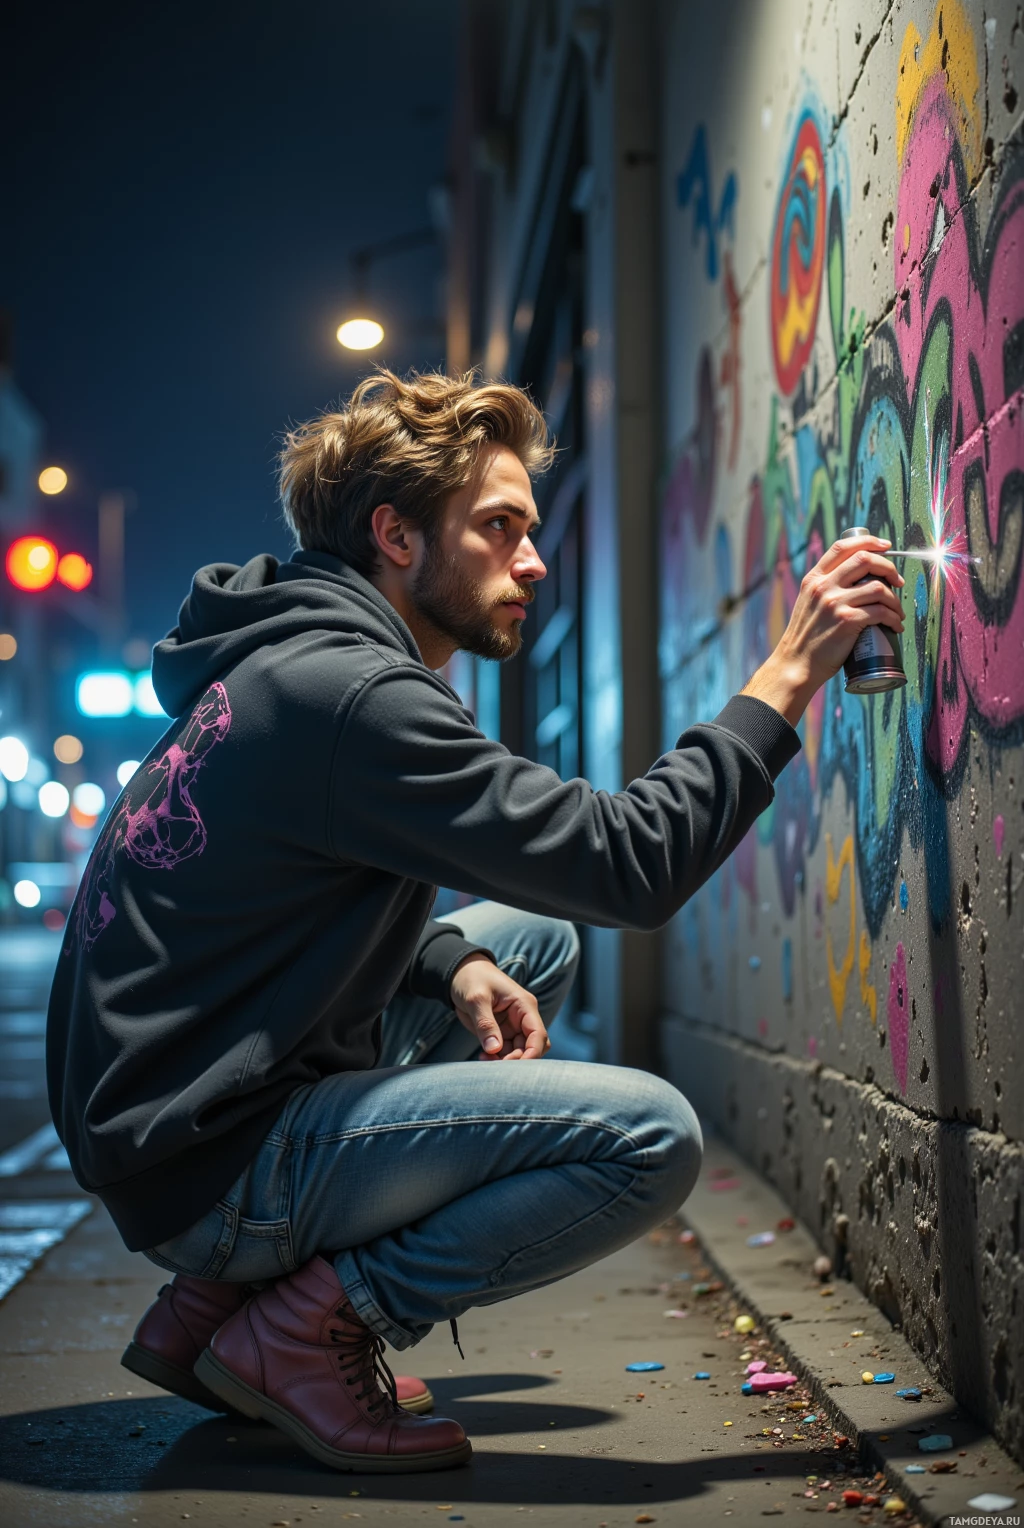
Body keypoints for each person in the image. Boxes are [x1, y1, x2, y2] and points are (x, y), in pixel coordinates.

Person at [46, 369, 905, 1474]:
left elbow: (285, 903)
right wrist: (786, 675)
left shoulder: (291, 660)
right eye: (499, 529)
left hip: (178, 1117)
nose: (534, 562)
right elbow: (628, 864)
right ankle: (307, 1327)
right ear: (394, 536)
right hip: (207, 1161)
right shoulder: (354, 699)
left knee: (520, 946)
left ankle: (210, 1307)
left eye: (530, 530)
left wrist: (448, 958)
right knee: (647, 1137)